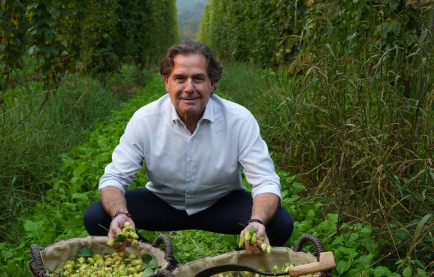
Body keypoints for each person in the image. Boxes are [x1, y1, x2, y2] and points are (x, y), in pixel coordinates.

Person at [83, 40, 294, 253]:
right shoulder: (145, 120)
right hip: (163, 201)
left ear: (212, 84)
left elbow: (265, 180)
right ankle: (154, 261)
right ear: (167, 82)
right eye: (180, 79)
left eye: (198, 79)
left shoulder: (239, 120)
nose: (189, 88)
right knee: (97, 217)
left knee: (280, 223)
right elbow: (114, 178)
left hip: (221, 202)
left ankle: (231, 266)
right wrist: (121, 214)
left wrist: (256, 220)